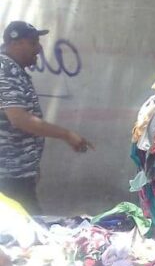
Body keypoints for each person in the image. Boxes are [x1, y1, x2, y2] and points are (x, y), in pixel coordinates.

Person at [0, 21, 93, 214]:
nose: (39, 48)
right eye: (33, 42)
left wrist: (31, 166)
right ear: (15, 43)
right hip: (8, 176)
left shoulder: (12, 69)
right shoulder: (5, 70)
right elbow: (19, 118)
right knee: (29, 227)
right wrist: (67, 134)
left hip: (16, 173)